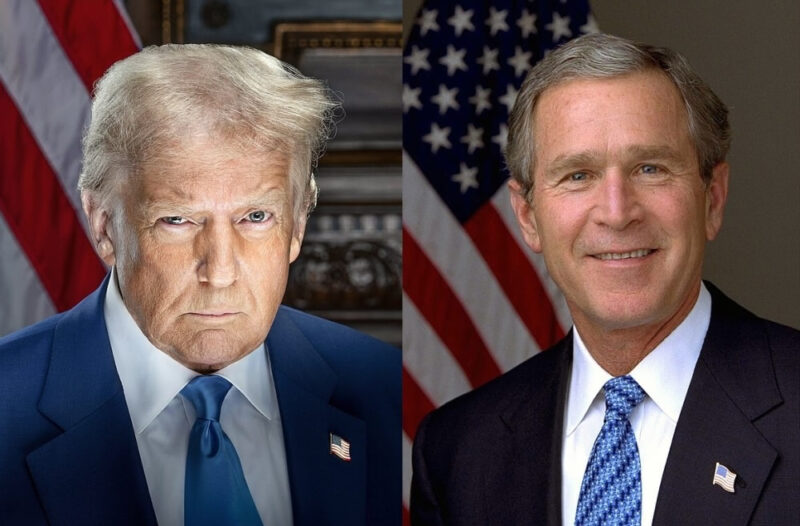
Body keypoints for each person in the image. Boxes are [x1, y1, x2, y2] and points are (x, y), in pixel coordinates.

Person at [0, 44, 400, 526]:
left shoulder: (383, 387)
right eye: (178, 220)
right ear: (105, 227)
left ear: (297, 227)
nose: (221, 271)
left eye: (255, 217)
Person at [410, 33, 799, 526]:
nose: (616, 214)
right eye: (578, 175)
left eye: (650, 168)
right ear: (528, 216)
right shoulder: (457, 450)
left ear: (712, 199)